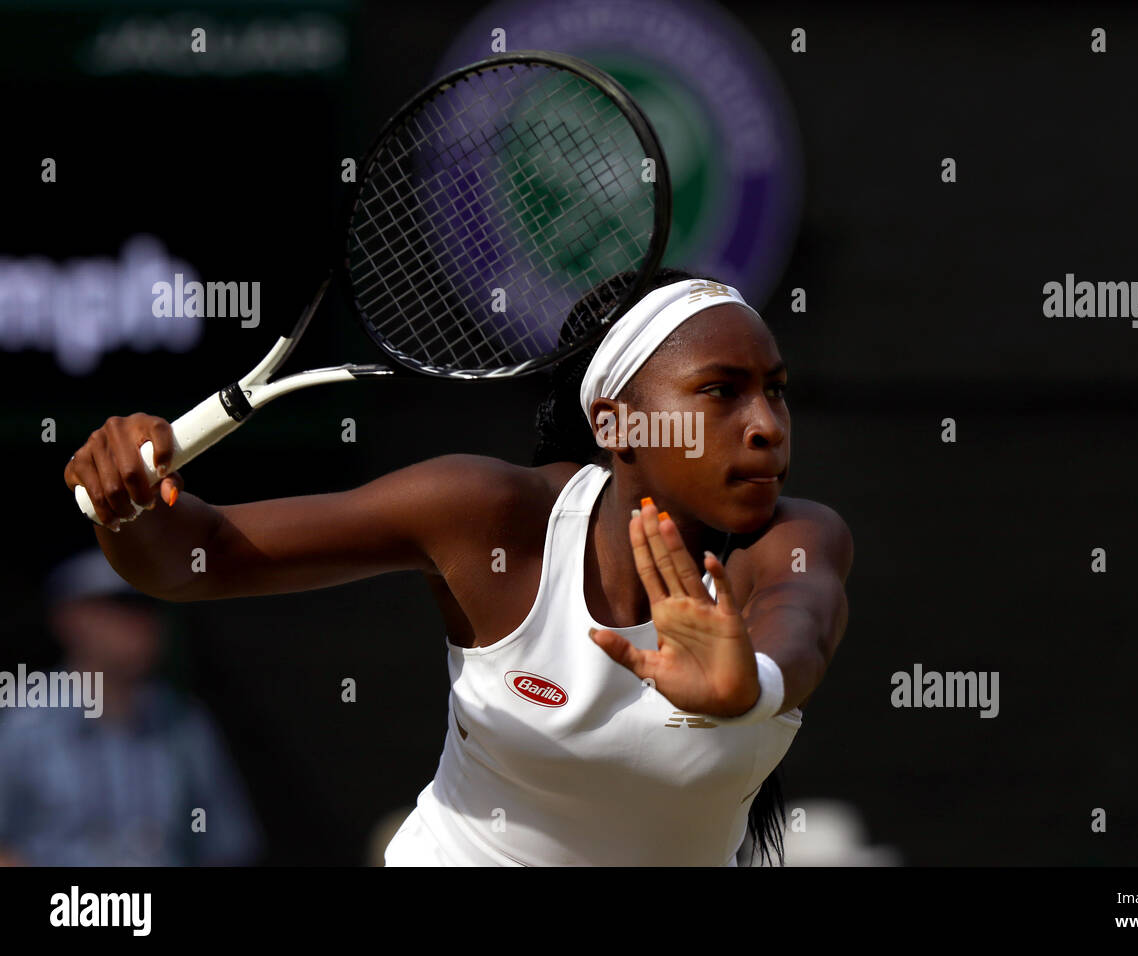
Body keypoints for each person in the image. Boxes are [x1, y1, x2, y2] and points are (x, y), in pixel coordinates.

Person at [64, 268, 853, 865]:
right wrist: (126, 500)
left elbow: (801, 631)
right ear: (614, 421)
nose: (765, 427)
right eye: (722, 392)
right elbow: (193, 560)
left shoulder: (796, 541)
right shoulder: (487, 516)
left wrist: (752, 685)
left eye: (775, 393)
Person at [0, 548, 263, 866]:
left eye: (149, 605)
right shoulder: (24, 721)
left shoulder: (185, 721)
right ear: (69, 618)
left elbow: (226, 845)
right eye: (119, 606)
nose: (139, 622)